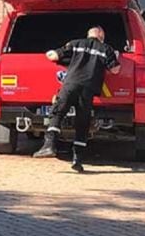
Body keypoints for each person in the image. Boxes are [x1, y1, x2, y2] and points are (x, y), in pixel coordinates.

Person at [33, 26, 122, 172]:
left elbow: (53, 56)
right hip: (88, 89)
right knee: (82, 123)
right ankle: (77, 160)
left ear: (88, 35)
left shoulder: (76, 43)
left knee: (57, 112)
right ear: (102, 37)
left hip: (70, 85)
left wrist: (49, 52)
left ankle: (49, 146)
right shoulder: (106, 49)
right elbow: (115, 70)